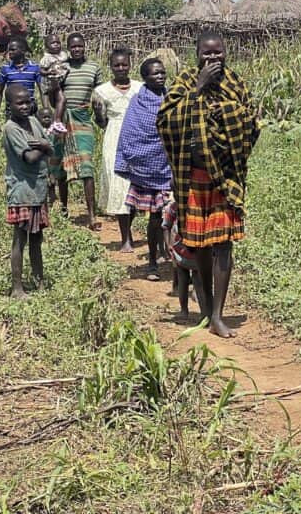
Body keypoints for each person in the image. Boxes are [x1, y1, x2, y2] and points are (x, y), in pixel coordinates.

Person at [158, 31, 259, 338]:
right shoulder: (186, 82)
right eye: (207, 53)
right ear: (197, 54)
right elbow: (165, 121)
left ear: (225, 53)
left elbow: (252, 123)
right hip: (194, 177)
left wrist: (223, 113)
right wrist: (199, 90)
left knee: (224, 246)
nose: (213, 58)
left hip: (226, 177)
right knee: (199, 245)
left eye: (218, 53)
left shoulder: (235, 83)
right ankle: (204, 307)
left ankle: (217, 314)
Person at [116, 58, 172, 279]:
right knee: (154, 218)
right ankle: (151, 261)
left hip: (171, 168)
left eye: (162, 72)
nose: (159, 76)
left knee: (174, 218)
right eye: (154, 74)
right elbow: (131, 135)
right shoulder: (138, 102)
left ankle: (173, 258)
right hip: (147, 169)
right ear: (145, 78)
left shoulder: (172, 98)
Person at [3, 83, 54, 299]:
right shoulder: (11, 129)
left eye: (27, 102)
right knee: (20, 239)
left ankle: (38, 281)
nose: (25, 106)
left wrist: (43, 145)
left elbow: (50, 147)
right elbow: (31, 157)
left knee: (37, 239)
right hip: (22, 190)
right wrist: (43, 146)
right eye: (19, 103)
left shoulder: (33, 121)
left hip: (38, 189)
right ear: (10, 105)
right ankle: (17, 288)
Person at [93, 48, 142, 251]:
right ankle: (125, 238)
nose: (121, 68)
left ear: (131, 65)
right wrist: (98, 113)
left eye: (124, 64)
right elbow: (102, 123)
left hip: (138, 138)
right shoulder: (102, 91)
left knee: (135, 185)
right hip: (114, 138)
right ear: (110, 66)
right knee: (119, 184)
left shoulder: (141, 88)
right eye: (116, 65)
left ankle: (128, 230)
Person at [56, 32, 103, 229]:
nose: (76, 50)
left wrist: (101, 114)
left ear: (85, 47)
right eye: (73, 47)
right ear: (68, 48)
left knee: (87, 167)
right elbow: (53, 95)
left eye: (79, 46)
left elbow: (101, 94)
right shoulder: (62, 68)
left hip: (83, 118)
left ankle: (91, 215)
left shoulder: (93, 68)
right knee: (61, 167)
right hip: (63, 118)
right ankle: (64, 210)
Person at [0, 37, 44, 134]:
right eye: (9, 50)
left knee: (32, 140)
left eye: (13, 49)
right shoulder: (5, 69)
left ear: (22, 50)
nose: (9, 52)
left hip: (30, 111)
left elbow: (43, 91)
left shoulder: (34, 68)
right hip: (11, 113)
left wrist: (46, 111)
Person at [161, 197, 201, 320]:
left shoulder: (177, 206)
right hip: (182, 250)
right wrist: (168, 245)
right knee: (185, 280)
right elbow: (166, 226)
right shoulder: (174, 207)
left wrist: (168, 245)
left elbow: (166, 226)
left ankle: (188, 310)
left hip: (192, 249)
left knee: (192, 280)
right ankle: (186, 310)